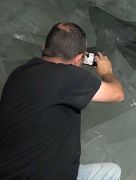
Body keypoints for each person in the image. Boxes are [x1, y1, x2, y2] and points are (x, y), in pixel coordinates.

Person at [0, 22, 124, 180]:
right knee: (111, 173)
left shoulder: (19, 73)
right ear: (79, 58)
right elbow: (117, 94)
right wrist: (107, 73)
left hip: (11, 172)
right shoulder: (67, 77)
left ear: (44, 46)